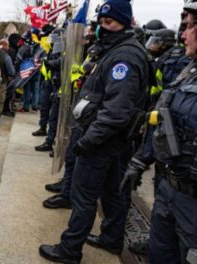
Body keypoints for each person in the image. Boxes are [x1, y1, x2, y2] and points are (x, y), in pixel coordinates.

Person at [39, 0, 150, 263]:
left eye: (109, 23)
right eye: (101, 22)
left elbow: (117, 110)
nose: (103, 28)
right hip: (112, 139)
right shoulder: (116, 51)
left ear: (126, 22)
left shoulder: (124, 56)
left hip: (103, 140)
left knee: (84, 195)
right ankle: (111, 238)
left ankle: (69, 249)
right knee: (113, 192)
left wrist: (88, 141)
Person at [120, 2, 197, 262]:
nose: (182, 34)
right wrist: (141, 159)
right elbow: (165, 121)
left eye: (189, 26)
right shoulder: (188, 72)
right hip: (169, 191)